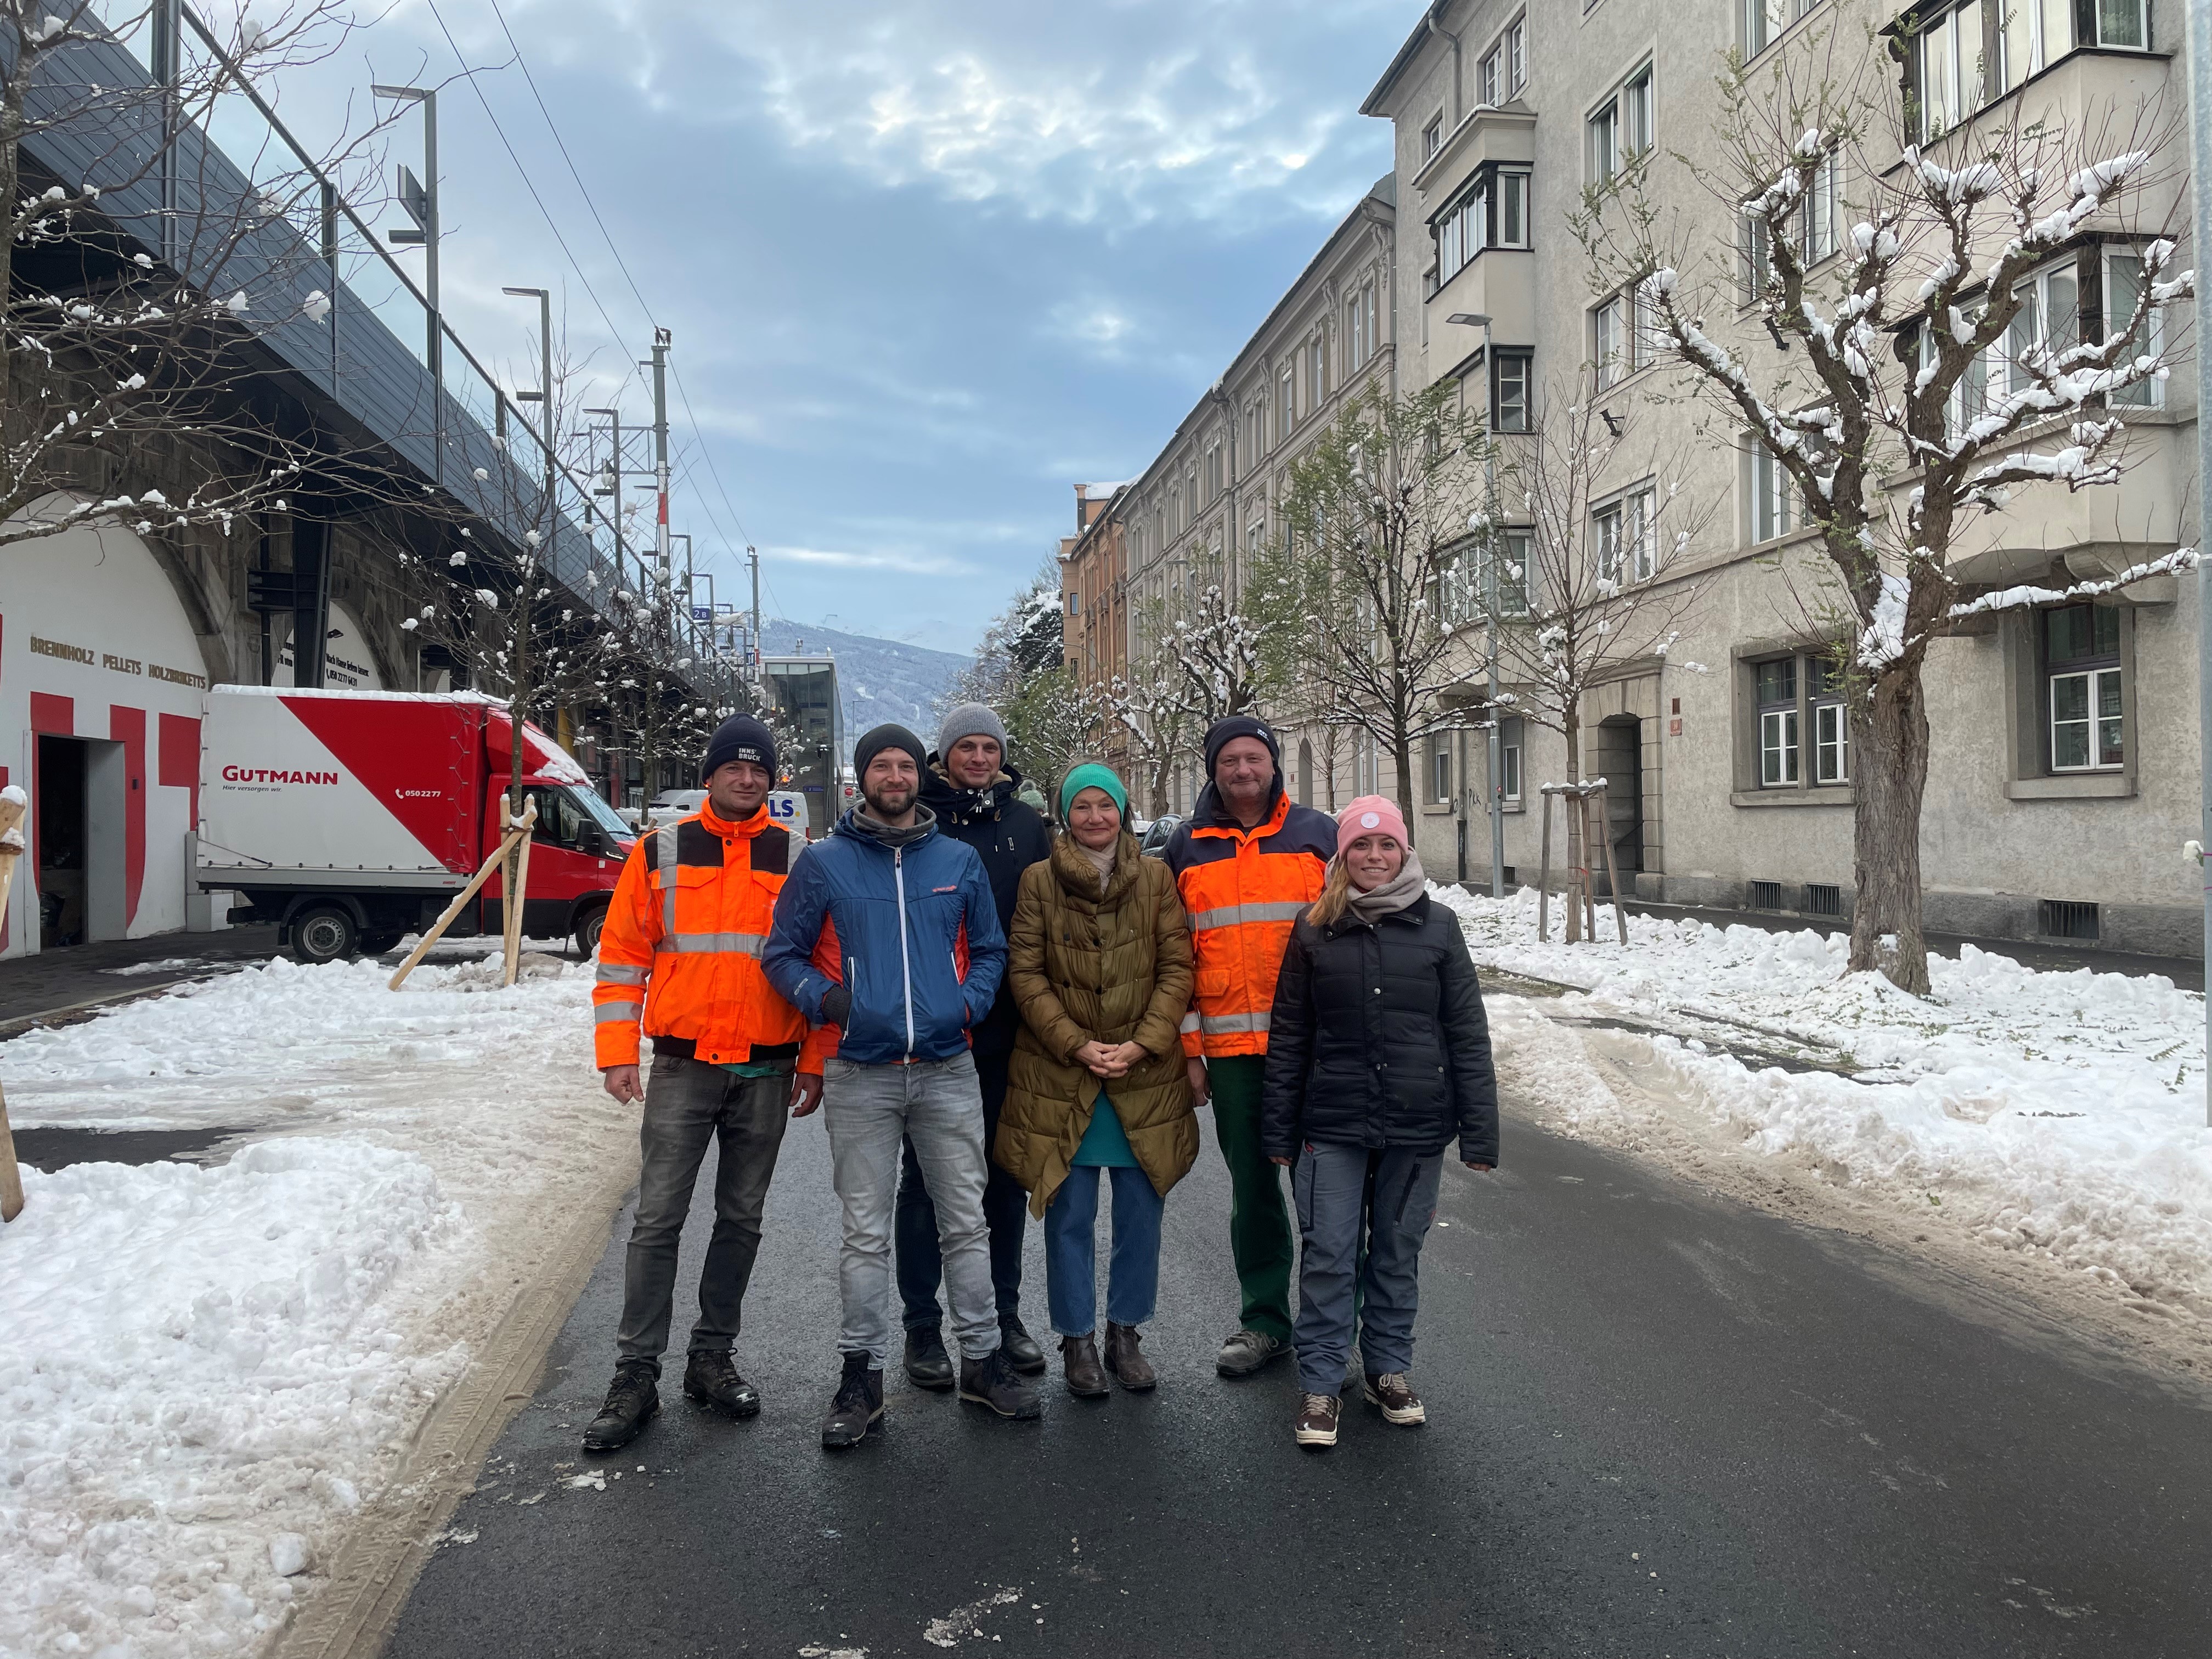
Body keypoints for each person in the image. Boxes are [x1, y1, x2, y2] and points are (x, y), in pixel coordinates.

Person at [764, 723, 1037, 1448]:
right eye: (880, 765)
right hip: (862, 1074)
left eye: (903, 765)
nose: (894, 776)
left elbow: (989, 948)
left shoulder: (955, 859)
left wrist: (967, 1004)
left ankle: (982, 1361)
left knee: (967, 1222)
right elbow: (782, 951)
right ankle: (862, 1376)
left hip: (948, 1067)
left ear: (921, 775)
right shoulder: (825, 864)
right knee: (864, 1232)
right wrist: (826, 1002)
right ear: (864, 779)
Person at [582, 714, 822, 1453]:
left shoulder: (798, 856)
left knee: (741, 1219)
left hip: (765, 1065)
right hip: (683, 1065)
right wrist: (617, 1050)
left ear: (772, 777)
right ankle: (635, 1374)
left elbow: (823, 963)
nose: (747, 778)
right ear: (711, 773)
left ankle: (711, 1358)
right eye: (733, 767)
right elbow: (623, 956)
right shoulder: (659, 851)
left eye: (760, 769)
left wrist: (813, 1058)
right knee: (657, 1221)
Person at [1261, 797, 1498, 1449]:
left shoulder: (1440, 927)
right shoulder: (1314, 928)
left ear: (1404, 853)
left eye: (1385, 846)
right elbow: (1290, 1036)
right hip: (1330, 1123)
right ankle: (1321, 1381)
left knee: (1397, 1254)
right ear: (1342, 857)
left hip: (1418, 1125)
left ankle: (1388, 1370)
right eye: (1360, 847)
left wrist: (1480, 1132)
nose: (1373, 857)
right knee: (1331, 1254)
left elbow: (1466, 1035)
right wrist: (1278, 1131)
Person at [996, 762, 1197, 1398]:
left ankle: (1125, 1332)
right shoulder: (1038, 882)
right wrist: (1079, 1044)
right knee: (1069, 1213)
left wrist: (1142, 1044)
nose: (1094, 818)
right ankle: (1076, 1338)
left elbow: (1177, 966)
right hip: (1063, 1073)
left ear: (1122, 811)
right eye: (1081, 807)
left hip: (1143, 1074)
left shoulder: (1158, 878)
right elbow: (1025, 974)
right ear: (1064, 814)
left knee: (1142, 1212)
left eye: (1105, 806)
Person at [1161, 714, 1336, 1378]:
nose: (1242, 771)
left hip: (1316, 1050)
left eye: (1253, 759)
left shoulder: (1319, 837)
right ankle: (1264, 1322)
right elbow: (1175, 957)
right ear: (1213, 770)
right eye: (1229, 761)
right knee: (1255, 1194)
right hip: (1232, 1055)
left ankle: (1330, 1331)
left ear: (1273, 765)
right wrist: (1189, 1052)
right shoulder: (1186, 848)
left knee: (1327, 1196)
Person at [893, 704, 1053, 1389]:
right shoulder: (916, 821)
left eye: (990, 747)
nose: (980, 758)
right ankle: (922, 1326)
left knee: (1006, 1177)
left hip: (1011, 1032)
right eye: (967, 747)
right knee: (928, 1183)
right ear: (944, 756)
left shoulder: (1026, 825)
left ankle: (1004, 1314)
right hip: (935, 1030)